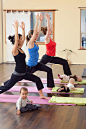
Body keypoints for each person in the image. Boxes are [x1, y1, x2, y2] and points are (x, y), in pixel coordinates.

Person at [0, 20, 47, 99]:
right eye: (20, 39)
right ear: (17, 40)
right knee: (7, 88)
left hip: (24, 73)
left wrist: (23, 29)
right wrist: (16, 28)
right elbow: (16, 42)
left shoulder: (20, 48)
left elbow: (24, 40)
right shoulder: (15, 49)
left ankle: (41, 95)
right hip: (17, 74)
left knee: (37, 79)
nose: (22, 40)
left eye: (21, 39)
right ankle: (3, 85)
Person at [26, 13, 55, 90]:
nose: (37, 36)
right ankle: (6, 84)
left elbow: (38, 31)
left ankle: (50, 86)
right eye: (35, 35)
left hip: (36, 64)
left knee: (49, 70)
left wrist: (41, 21)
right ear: (32, 36)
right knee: (18, 76)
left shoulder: (35, 41)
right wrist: (37, 20)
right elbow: (36, 31)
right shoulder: (30, 43)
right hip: (30, 66)